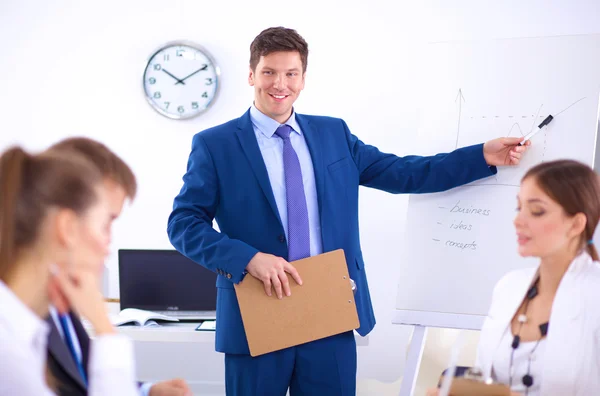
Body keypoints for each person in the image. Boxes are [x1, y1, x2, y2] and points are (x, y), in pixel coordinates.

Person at [167, 26, 529, 395]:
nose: (280, 84)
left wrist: (481, 155)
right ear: (251, 75)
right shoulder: (216, 144)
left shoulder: (333, 134)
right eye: (269, 72)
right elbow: (183, 223)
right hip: (256, 309)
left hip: (329, 307)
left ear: (303, 78)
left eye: (291, 73)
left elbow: (405, 172)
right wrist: (247, 258)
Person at [428, 159, 600, 396]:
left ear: (576, 224)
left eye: (537, 211)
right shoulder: (509, 287)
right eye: (519, 208)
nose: (518, 220)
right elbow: (486, 380)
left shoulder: (594, 294)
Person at [46, 137, 192, 396]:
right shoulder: (22, 311)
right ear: (67, 220)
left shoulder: (59, 299)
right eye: (106, 222)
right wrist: (102, 324)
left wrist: (148, 390)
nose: (108, 240)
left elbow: (81, 376)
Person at [0, 146, 138, 396]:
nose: (107, 246)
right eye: (104, 225)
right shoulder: (8, 352)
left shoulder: (23, 333)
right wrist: (105, 329)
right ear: (68, 227)